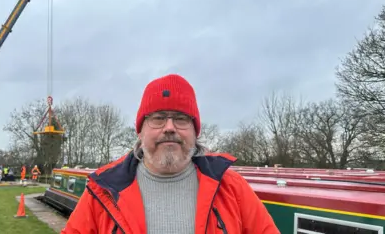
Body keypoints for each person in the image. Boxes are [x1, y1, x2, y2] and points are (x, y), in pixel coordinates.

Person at [61, 74, 280, 234]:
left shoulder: (232, 188)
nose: (169, 127)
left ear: (195, 131)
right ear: (140, 130)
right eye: (158, 118)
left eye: (181, 118)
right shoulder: (103, 190)